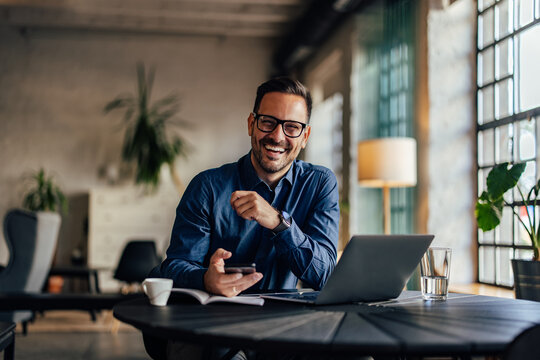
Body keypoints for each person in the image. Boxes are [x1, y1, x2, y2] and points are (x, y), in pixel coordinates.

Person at [160, 77, 339, 298]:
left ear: (305, 137)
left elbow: (325, 275)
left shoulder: (319, 183)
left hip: (285, 322)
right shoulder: (207, 187)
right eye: (267, 122)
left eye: (292, 127)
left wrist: (278, 222)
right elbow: (174, 267)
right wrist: (206, 279)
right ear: (251, 124)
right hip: (216, 320)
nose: (277, 136)